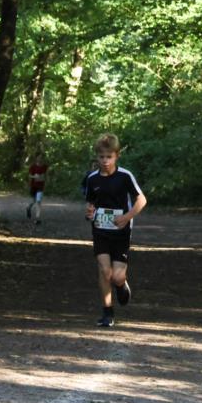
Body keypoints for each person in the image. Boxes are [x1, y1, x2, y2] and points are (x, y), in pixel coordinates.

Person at [84, 133, 147, 327]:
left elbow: (141, 200)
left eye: (109, 157)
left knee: (116, 275)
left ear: (116, 156)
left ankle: (121, 285)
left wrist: (126, 217)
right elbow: (90, 203)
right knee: (104, 271)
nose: (105, 161)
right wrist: (90, 213)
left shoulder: (125, 176)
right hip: (100, 229)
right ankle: (107, 313)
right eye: (101, 157)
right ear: (97, 156)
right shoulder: (92, 179)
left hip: (121, 230)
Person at [26, 152, 49, 224]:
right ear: (36, 158)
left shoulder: (45, 166)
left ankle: (37, 218)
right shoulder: (33, 166)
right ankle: (28, 208)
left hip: (40, 186)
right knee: (33, 201)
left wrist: (46, 180)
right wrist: (34, 176)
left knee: (38, 201)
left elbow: (47, 175)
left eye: (41, 157)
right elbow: (29, 176)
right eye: (39, 157)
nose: (40, 159)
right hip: (33, 186)